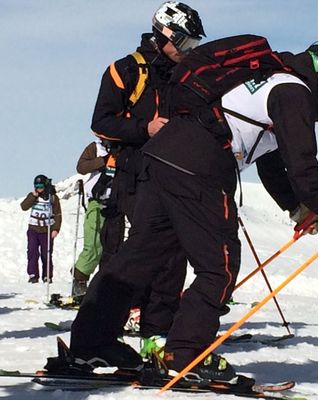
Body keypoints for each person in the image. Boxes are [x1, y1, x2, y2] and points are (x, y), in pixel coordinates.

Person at [69, 39, 318, 381]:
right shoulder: (293, 91)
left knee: (139, 257)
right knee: (219, 267)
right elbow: (303, 166)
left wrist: (298, 209)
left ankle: (89, 344)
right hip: (201, 167)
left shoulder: (266, 80)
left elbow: (272, 166)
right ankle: (185, 354)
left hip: (163, 157)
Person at [88, 1, 205, 356]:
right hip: (133, 173)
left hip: (176, 176)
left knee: (174, 255)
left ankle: (157, 334)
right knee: (138, 254)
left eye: (193, 45)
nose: (188, 51)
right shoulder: (124, 70)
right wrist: (145, 128)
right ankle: (103, 331)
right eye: (184, 43)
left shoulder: (189, 77)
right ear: (163, 34)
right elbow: (101, 122)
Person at [72, 138, 118, 298]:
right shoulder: (95, 147)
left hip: (116, 205)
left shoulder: (127, 148)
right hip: (97, 202)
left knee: (112, 248)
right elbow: (81, 167)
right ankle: (79, 280)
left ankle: (104, 287)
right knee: (93, 245)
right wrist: (103, 161)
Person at [20, 175, 62, 283]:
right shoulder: (33, 196)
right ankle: (33, 274)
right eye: (36, 186)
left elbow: (57, 214)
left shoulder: (53, 198)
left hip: (47, 230)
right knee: (32, 252)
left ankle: (47, 275)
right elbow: (24, 206)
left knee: (46, 253)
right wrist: (33, 197)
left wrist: (56, 229)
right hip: (33, 229)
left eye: (41, 186)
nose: (38, 188)